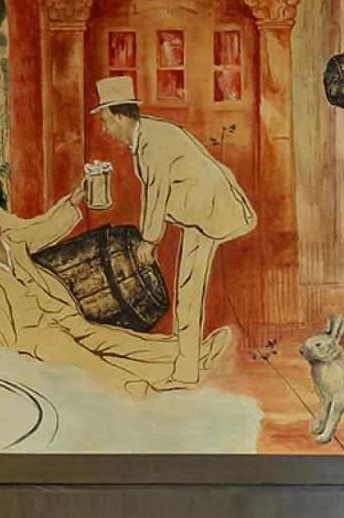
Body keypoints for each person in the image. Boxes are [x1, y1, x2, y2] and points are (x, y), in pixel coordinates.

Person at [0, 195, 232, 393]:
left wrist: (75, 200)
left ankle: (190, 355)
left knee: (113, 340)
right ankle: (134, 388)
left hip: (61, 313)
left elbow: (46, 228)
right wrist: (9, 355)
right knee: (86, 358)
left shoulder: (14, 243)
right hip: (34, 335)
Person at [92, 75, 256, 389]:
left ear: (121, 114)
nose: (105, 128)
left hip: (209, 214)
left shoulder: (154, 140)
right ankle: (186, 365)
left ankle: (185, 372)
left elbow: (156, 190)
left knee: (189, 291)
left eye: (106, 120)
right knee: (188, 292)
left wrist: (149, 240)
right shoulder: (149, 136)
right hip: (200, 214)